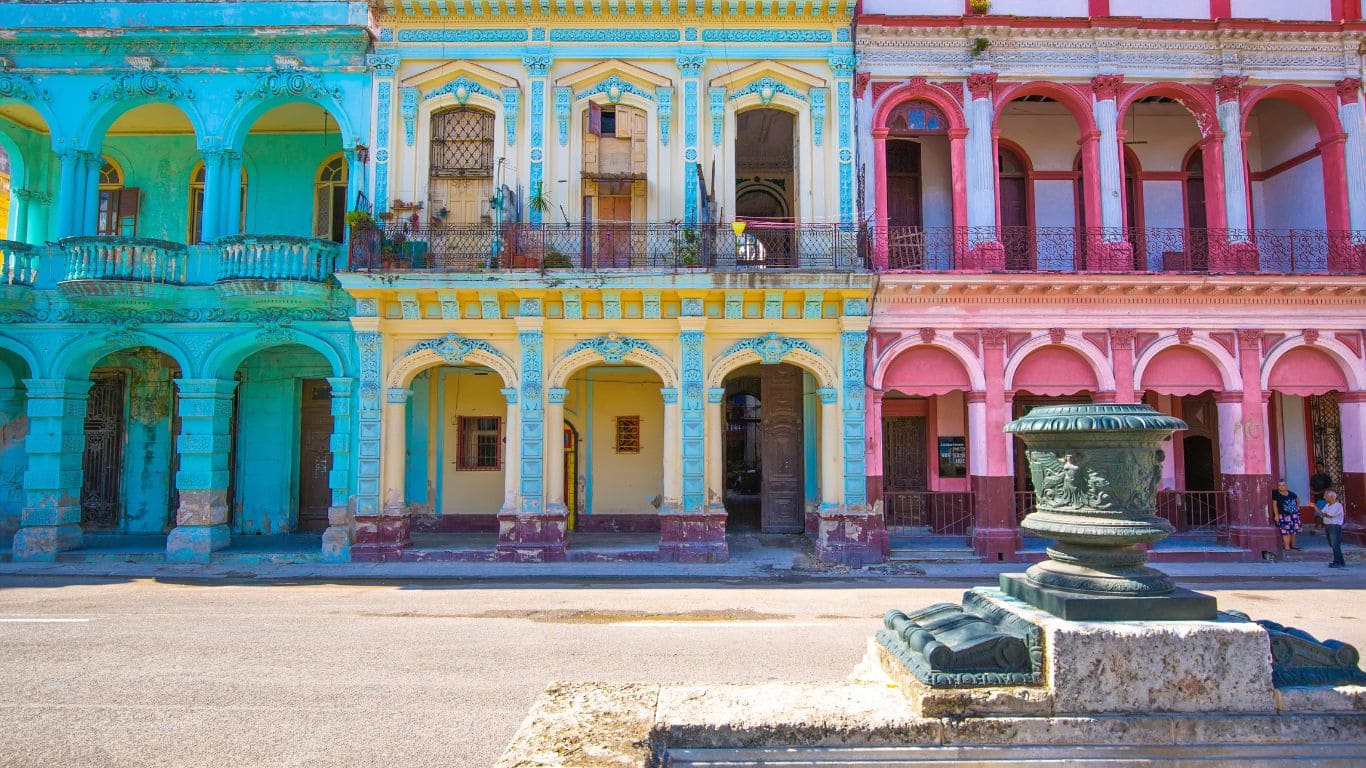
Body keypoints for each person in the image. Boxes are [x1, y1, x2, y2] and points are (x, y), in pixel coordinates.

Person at [1271, 480, 1302, 551]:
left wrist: (1297, 507)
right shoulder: (1276, 494)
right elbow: (1274, 505)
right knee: (1286, 531)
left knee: (1293, 531)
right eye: (1279, 485)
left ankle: (1293, 545)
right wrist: (1276, 515)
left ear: (1286, 486)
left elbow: (1297, 499)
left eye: (1283, 485)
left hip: (1293, 515)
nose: (1281, 487)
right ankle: (1287, 546)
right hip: (1284, 515)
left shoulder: (1291, 493)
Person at [1321, 490, 1346, 569]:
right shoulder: (1328, 505)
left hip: (1334, 526)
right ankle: (1339, 561)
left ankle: (1338, 562)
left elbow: (1329, 515)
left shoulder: (1337, 505)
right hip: (1328, 526)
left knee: (1335, 545)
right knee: (1332, 544)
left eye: (1326, 496)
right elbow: (1322, 513)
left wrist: (1315, 507)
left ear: (1332, 497)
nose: (1324, 497)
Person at [1310, 461, 1334, 533]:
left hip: (1324, 497)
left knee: (1319, 513)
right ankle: (1323, 526)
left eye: (1320, 467)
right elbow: (1311, 486)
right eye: (1317, 467)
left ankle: (1316, 527)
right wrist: (1312, 492)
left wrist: (1319, 492)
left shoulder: (1326, 477)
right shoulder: (1314, 477)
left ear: (1323, 467)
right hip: (1317, 497)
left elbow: (1329, 488)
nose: (1318, 468)